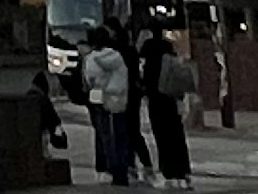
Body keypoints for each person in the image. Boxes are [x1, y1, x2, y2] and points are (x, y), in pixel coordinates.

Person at [81, 21, 140, 184]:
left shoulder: (91, 59)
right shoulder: (117, 57)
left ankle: (108, 168)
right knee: (121, 135)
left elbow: (88, 80)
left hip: (98, 99)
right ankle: (122, 169)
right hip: (118, 100)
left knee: (103, 136)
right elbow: (124, 78)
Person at [144, 25, 195, 185]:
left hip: (156, 100)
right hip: (172, 99)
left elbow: (146, 80)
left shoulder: (150, 55)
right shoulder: (170, 56)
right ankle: (183, 171)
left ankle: (169, 172)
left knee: (162, 137)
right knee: (177, 136)